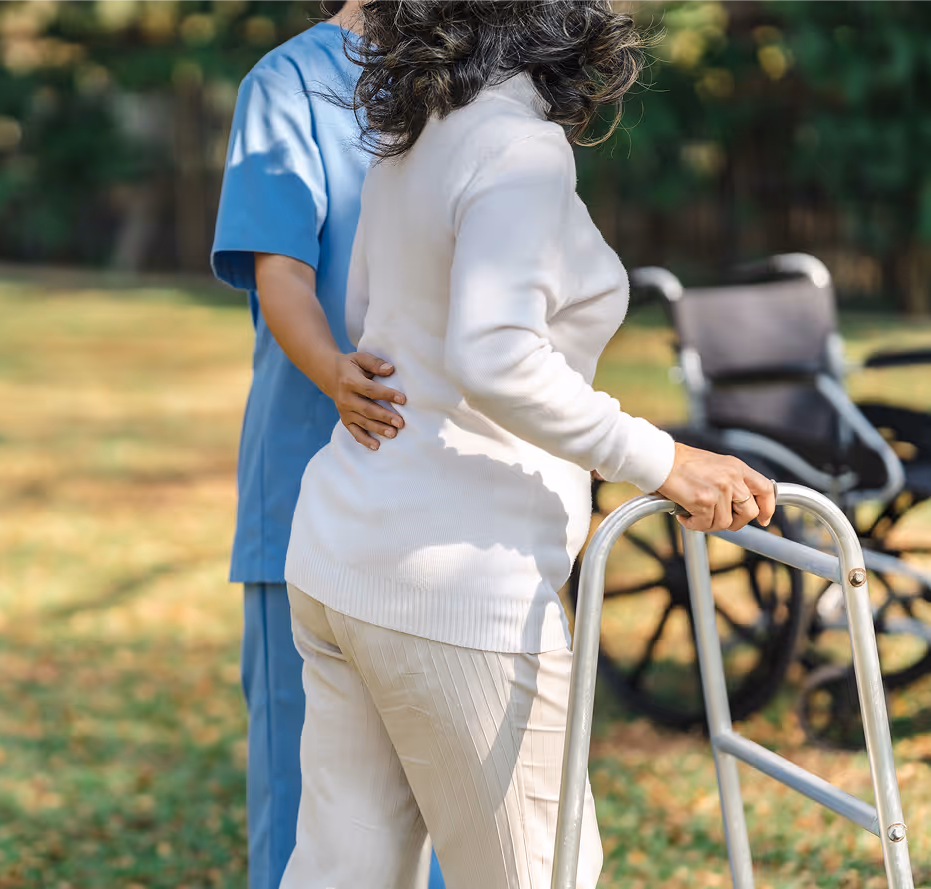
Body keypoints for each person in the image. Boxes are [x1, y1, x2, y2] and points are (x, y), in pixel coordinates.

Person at [280, 1, 778, 886]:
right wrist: (664, 460)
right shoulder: (515, 146)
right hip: (457, 585)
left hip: (341, 553)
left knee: (339, 872)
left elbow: (367, 315)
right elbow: (494, 354)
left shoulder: (415, 133)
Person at [210, 2, 446, 887]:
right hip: (305, 494)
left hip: (441, 503)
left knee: (446, 797)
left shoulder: (468, 77)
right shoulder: (283, 83)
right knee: (310, 801)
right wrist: (334, 373)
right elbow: (283, 273)